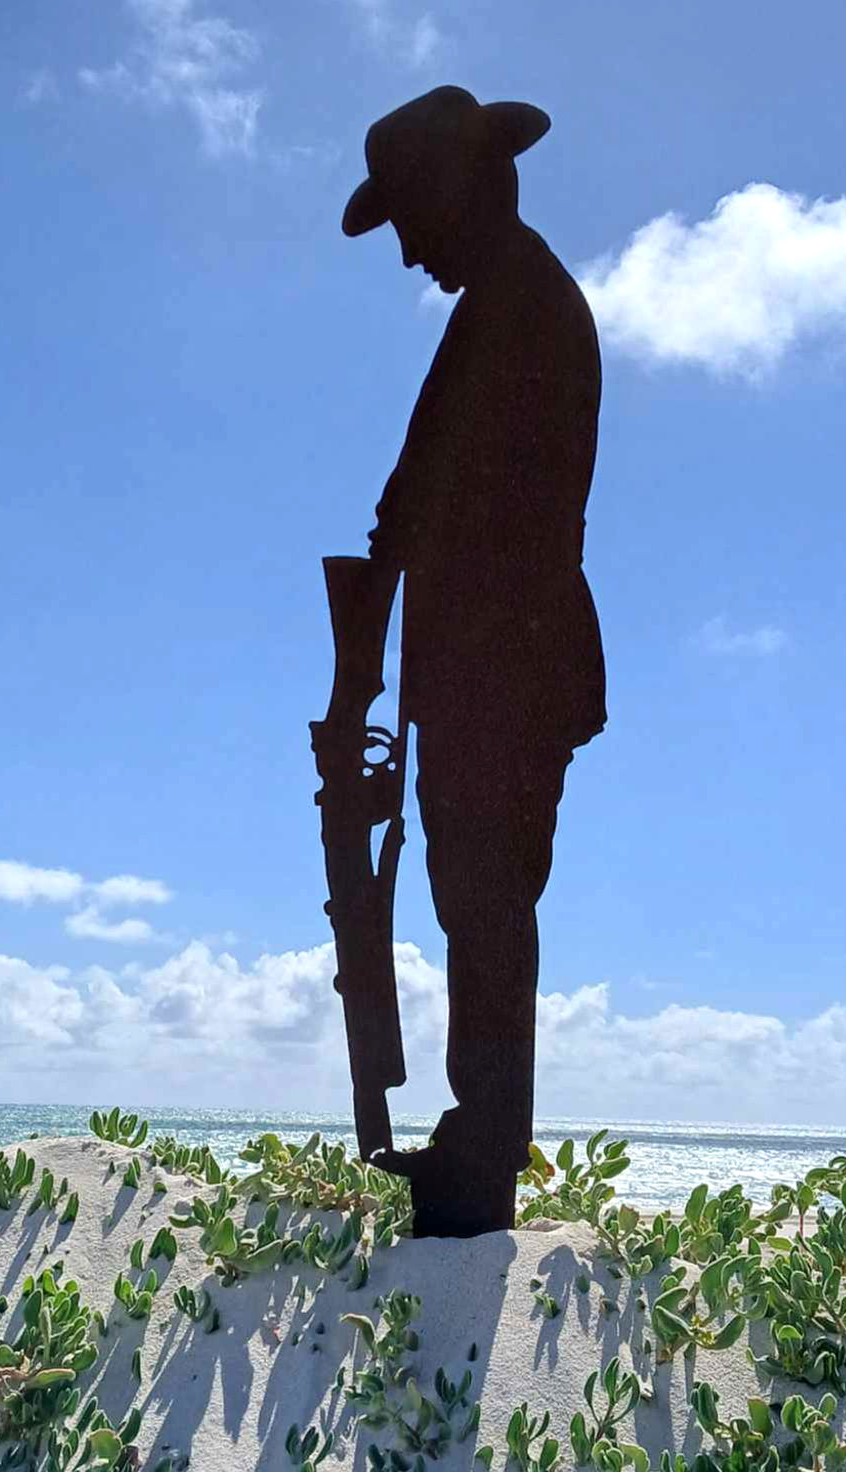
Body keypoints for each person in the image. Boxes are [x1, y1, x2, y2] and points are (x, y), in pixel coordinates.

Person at [337, 84, 606, 1237]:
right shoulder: (498, 303)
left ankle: (483, 1151)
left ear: (459, 193)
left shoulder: (522, 307)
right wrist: (368, 664)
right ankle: (475, 1134)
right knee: (470, 897)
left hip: (508, 666)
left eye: (410, 218)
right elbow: (411, 500)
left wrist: (376, 663)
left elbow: (439, 505)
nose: (405, 249)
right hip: (477, 668)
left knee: (486, 901)